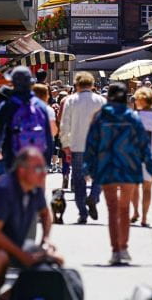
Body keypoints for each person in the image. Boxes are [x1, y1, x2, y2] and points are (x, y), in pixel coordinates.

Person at [0, 147, 63, 300]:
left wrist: (45, 240)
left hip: (16, 242)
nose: (44, 173)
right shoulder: (4, 190)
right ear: (22, 171)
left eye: (44, 168)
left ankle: (8, 296)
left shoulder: (35, 188)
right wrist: (23, 256)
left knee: (56, 258)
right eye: (38, 169)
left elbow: (45, 214)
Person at [84, 83, 152, 265]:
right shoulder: (133, 117)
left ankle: (115, 250)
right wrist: (150, 167)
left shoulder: (100, 117)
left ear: (108, 97)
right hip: (129, 167)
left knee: (112, 210)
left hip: (107, 166)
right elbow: (143, 144)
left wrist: (88, 167)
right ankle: (124, 247)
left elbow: (91, 144)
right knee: (124, 209)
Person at [59, 71, 106, 223]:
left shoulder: (71, 101)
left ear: (77, 85)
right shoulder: (101, 101)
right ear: (92, 85)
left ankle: (82, 213)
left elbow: (64, 124)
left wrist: (65, 144)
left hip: (77, 145)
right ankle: (94, 197)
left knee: (79, 180)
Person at [0, 68, 54, 172]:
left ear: (13, 83)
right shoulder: (40, 106)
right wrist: (46, 162)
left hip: (12, 156)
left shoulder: (7, 105)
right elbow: (48, 137)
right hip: (35, 158)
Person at [130, 86, 152, 226]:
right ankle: (144, 217)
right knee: (147, 187)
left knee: (134, 186)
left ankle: (135, 212)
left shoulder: (133, 117)